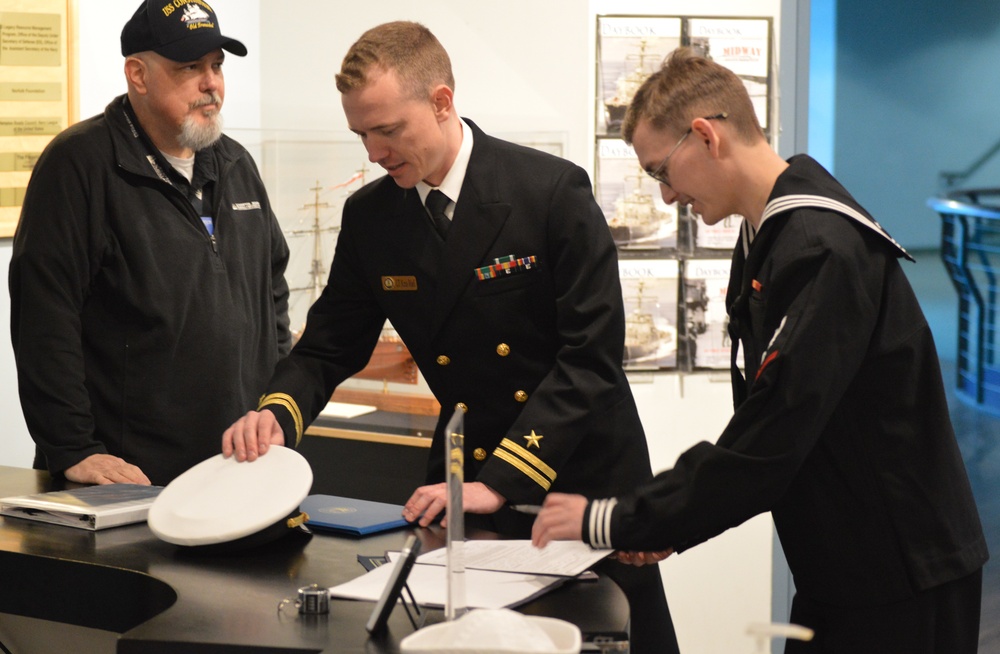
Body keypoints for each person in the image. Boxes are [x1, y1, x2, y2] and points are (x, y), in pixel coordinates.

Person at [222, 21, 678, 654]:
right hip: (467, 474)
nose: (374, 153)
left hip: (578, 469)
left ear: (441, 102)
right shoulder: (372, 216)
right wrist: (277, 413)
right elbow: (331, 343)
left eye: (388, 130)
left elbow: (590, 359)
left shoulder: (549, 192)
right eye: (361, 134)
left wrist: (503, 480)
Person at [532, 48, 989, 653]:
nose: (665, 197)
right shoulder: (767, 238)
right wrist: (673, 519)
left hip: (900, 572)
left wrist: (618, 517)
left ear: (705, 136)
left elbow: (772, 434)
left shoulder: (819, 246)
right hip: (842, 564)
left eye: (660, 172)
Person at [8, 0, 290, 487]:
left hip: (239, 469)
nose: (211, 84)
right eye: (190, 67)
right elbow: (44, 317)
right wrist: (72, 447)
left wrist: (275, 407)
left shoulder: (235, 164)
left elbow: (273, 290)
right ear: (138, 74)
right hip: (129, 481)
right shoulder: (80, 165)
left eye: (217, 66)